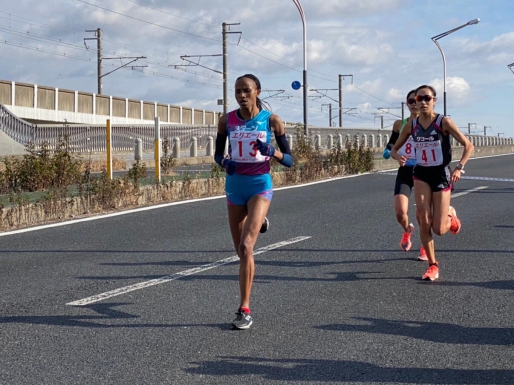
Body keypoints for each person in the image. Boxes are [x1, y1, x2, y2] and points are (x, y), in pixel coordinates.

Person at [214, 74, 294, 329]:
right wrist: (225, 162)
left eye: (246, 90)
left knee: (247, 246)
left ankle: (244, 309)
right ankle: (256, 219)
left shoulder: (271, 120)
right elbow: (217, 155)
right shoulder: (226, 120)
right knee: (239, 250)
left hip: (260, 185)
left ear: (257, 91)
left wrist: (273, 151)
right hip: (235, 187)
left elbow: (291, 160)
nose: (242, 95)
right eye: (238, 91)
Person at [391, 84, 474, 281]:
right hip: (420, 174)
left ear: (434, 100)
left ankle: (450, 217)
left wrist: (459, 167)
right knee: (423, 220)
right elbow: (395, 148)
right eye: (419, 99)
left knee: (439, 229)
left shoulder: (443, 122)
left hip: (441, 174)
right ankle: (432, 265)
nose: (422, 102)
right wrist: (397, 157)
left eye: (427, 98)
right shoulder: (412, 125)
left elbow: (468, 145)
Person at [383, 90, 427, 261]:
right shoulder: (399, 124)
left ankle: (425, 246)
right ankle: (407, 230)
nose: (414, 103)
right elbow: (392, 145)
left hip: (424, 171)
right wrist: (391, 153)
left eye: (417, 99)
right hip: (406, 170)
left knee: (423, 212)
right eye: (411, 100)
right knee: (401, 212)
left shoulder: (429, 124)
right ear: (406, 103)